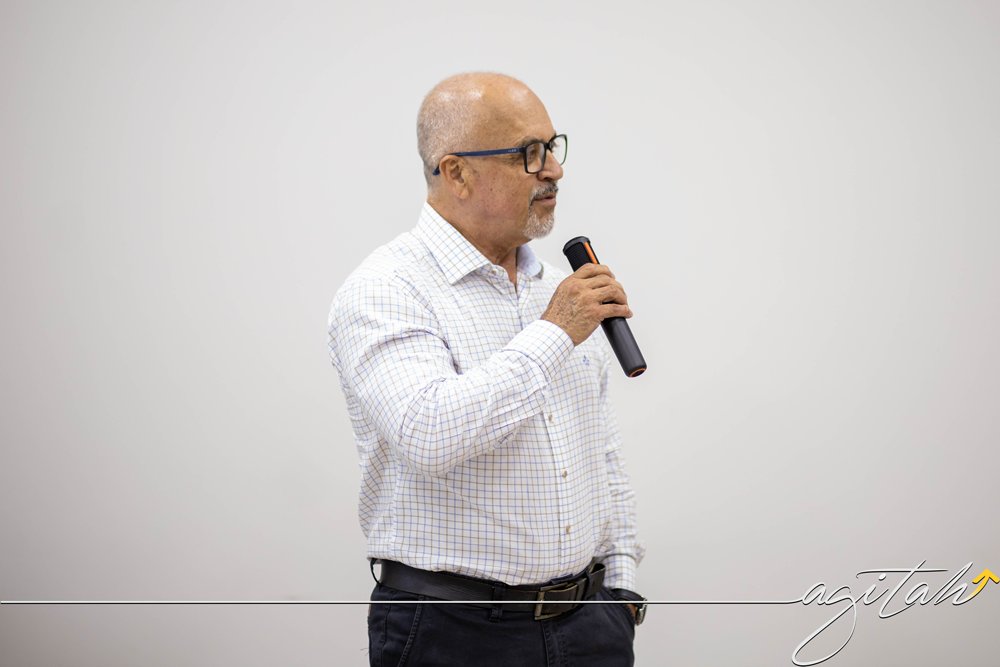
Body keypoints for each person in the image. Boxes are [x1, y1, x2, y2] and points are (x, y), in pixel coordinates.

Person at [328, 72, 646, 666]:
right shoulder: (386, 289)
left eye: (553, 146)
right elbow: (429, 432)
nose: (554, 169)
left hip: (590, 626)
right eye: (530, 153)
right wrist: (555, 333)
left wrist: (621, 586)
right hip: (454, 632)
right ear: (456, 173)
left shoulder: (556, 289)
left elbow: (599, 448)